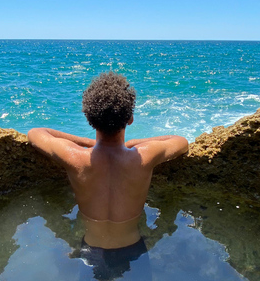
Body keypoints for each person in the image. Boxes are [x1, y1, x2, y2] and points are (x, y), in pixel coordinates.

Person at [28, 71, 188, 279]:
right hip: (134, 251)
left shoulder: (75, 158)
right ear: (130, 119)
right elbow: (181, 141)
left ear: (89, 118)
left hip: (91, 252)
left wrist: (90, 144)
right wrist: (130, 144)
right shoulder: (146, 156)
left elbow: (36, 133)